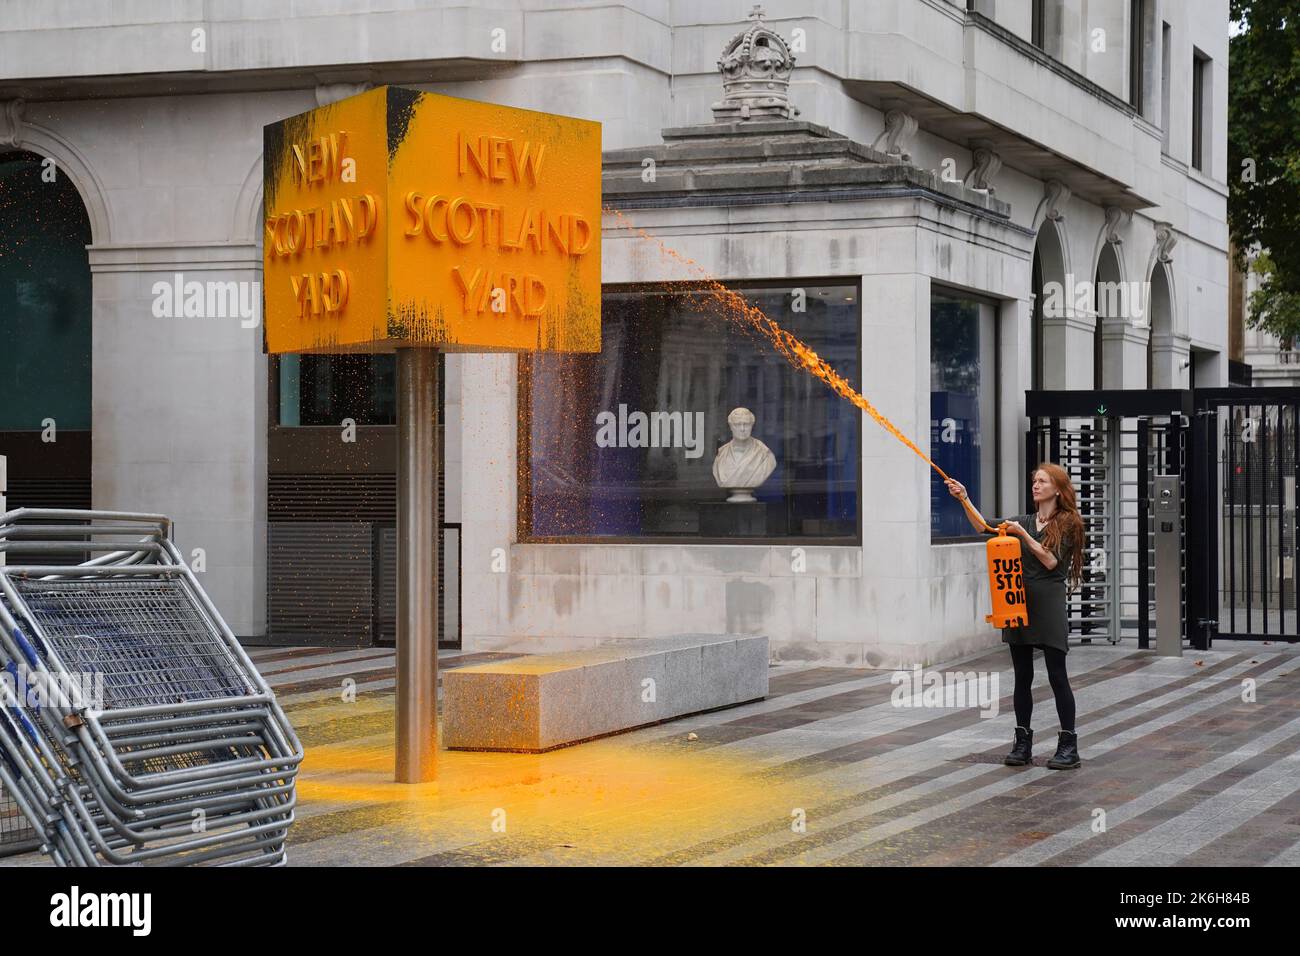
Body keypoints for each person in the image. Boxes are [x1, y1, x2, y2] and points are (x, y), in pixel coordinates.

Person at [945, 463, 1084, 769]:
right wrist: (964, 499)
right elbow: (984, 527)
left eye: (1042, 481)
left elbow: (1050, 561)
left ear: (1057, 490)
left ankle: (1068, 746)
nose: (1035, 485)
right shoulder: (1025, 520)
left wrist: (1023, 534)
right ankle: (1022, 743)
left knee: (1057, 675)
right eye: (1034, 480)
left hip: (1047, 602)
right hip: (1018, 602)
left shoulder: (1069, 522)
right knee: (1022, 676)